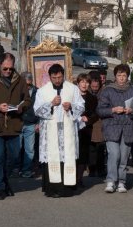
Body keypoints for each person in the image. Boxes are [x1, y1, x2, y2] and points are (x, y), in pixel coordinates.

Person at [0, 53, 30, 200]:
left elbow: (27, 100)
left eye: (10, 69)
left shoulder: (20, 81)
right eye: (5, 68)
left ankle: (3, 179)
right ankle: (0, 187)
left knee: (14, 157)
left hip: (14, 124)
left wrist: (21, 108)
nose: (8, 71)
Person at [33, 63, 85, 198]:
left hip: (67, 130)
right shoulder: (42, 91)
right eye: (54, 77)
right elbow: (37, 110)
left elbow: (81, 105)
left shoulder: (72, 89)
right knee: (52, 157)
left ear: (63, 76)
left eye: (60, 77)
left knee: (67, 157)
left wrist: (71, 106)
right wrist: (51, 104)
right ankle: (52, 189)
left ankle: (67, 190)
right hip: (51, 132)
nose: (57, 80)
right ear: (49, 77)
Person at [97, 64, 133, 193]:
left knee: (124, 156)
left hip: (127, 127)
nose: (121, 78)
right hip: (111, 126)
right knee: (114, 154)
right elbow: (100, 110)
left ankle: (121, 181)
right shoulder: (107, 90)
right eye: (119, 75)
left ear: (128, 76)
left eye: (124, 75)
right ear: (115, 76)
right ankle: (111, 180)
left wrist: (132, 110)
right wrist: (112, 110)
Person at [76, 73, 98, 186]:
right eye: (82, 82)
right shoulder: (73, 96)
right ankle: (71, 177)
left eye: (86, 82)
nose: (84, 84)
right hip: (73, 128)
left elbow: (96, 114)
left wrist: (88, 119)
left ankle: (79, 178)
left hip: (85, 129)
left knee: (83, 154)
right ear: (78, 83)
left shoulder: (92, 98)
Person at [19, 72, 39, 178]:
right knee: (16, 148)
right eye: (26, 84)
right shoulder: (16, 91)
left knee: (29, 149)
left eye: (29, 84)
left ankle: (26, 170)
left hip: (31, 122)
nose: (28, 86)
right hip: (18, 122)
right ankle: (15, 168)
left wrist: (38, 122)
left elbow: (40, 107)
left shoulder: (37, 91)